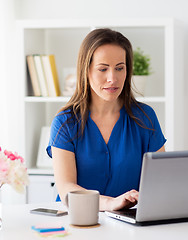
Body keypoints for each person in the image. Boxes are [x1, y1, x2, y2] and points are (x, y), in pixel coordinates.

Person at [46, 28, 166, 212]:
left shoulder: (145, 118)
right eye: (103, 69)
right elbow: (66, 189)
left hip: (130, 224)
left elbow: (160, 181)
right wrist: (110, 203)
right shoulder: (65, 123)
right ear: (86, 71)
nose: (113, 78)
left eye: (120, 68)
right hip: (79, 221)